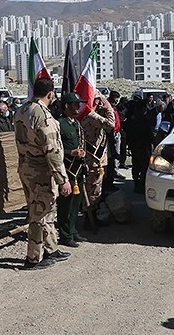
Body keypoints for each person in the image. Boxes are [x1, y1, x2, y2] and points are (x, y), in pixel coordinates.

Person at [12, 77, 72, 269]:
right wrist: (63, 180)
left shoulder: (21, 110)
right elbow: (52, 150)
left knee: (46, 210)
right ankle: (33, 258)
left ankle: (51, 249)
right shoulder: (43, 116)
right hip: (41, 173)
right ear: (50, 93)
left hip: (27, 168)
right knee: (39, 215)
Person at [56, 92, 87, 247]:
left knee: (76, 203)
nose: (78, 107)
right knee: (65, 204)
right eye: (75, 104)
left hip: (78, 168)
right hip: (67, 169)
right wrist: (71, 153)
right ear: (67, 106)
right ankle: (65, 234)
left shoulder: (75, 123)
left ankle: (73, 231)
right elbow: (56, 148)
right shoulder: (59, 124)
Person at [81, 90, 116, 220]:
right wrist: (108, 108)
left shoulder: (85, 114)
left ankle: (89, 213)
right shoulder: (91, 116)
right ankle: (90, 215)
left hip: (92, 158)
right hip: (94, 160)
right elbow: (111, 124)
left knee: (92, 187)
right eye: (99, 100)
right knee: (94, 189)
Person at [126, 96, 154, 194]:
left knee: (136, 165)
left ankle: (136, 184)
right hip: (143, 146)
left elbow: (128, 131)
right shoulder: (144, 119)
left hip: (134, 145)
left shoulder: (132, 118)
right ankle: (141, 184)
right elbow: (149, 134)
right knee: (144, 166)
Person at [102, 90, 124, 194]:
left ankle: (111, 179)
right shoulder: (107, 109)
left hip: (115, 134)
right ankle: (108, 184)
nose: (116, 101)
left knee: (113, 158)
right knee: (110, 161)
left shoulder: (114, 108)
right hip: (109, 135)